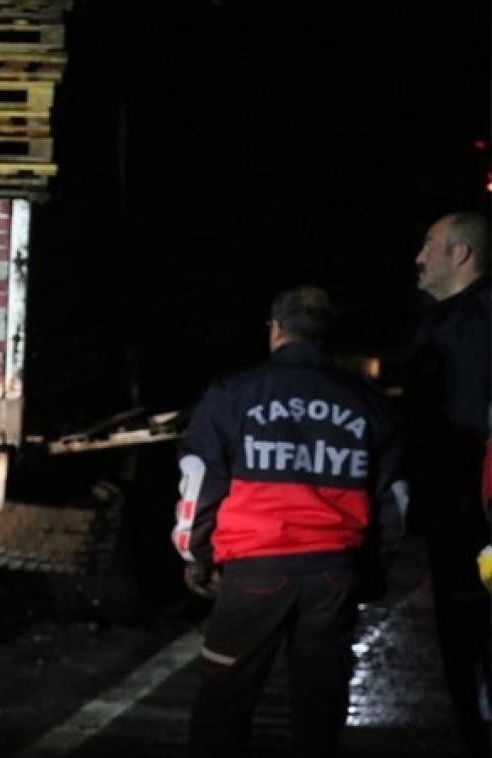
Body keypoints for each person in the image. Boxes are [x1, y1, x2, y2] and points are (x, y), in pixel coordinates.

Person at [170, 285, 408, 757]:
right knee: (318, 711)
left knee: (223, 706)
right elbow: (394, 500)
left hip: (253, 572)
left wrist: (195, 555)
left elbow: (198, 481)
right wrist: (372, 571)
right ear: (327, 337)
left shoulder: (232, 393)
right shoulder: (369, 402)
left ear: (276, 330)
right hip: (332, 573)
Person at [406, 211, 491, 758]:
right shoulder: (446, 322)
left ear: (461, 255)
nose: (419, 257)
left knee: (474, 645)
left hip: (474, 521)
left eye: (429, 244)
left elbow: (464, 426)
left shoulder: (472, 325)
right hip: (460, 516)